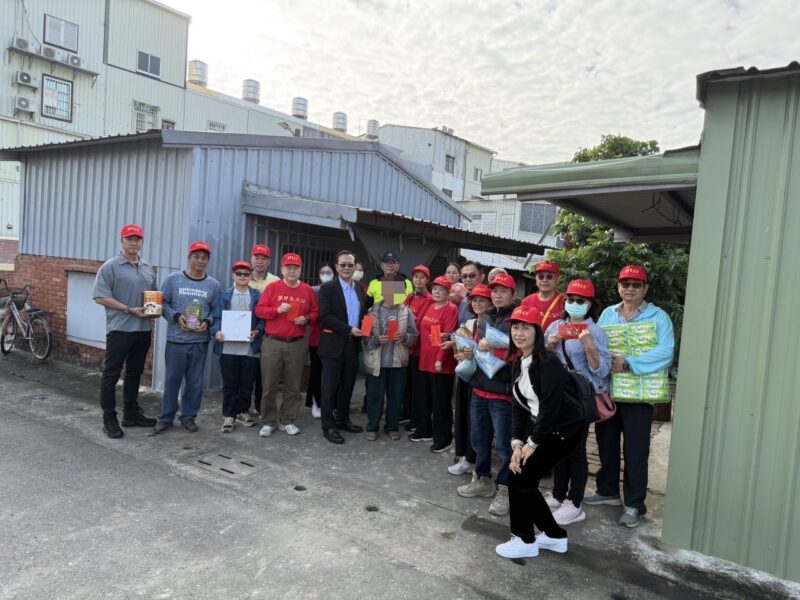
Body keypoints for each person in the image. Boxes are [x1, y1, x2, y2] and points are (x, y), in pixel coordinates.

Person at [588, 265, 674, 528]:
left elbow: (666, 352)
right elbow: (598, 344)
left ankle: (635, 504)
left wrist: (629, 363)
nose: (630, 288)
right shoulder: (607, 314)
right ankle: (608, 491)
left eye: (637, 284)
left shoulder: (659, 317)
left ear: (645, 288)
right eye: (625, 284)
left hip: (639, 397)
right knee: (606, 444)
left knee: (636, 451)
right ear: (618, 287)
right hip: (609, 392)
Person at [495, 306, 585, 559]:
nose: (519, 333)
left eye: (526, 328)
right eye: (515, 327)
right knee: (521, 478)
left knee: (519, 478)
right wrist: (517, 443)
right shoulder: (518, 362)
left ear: (537, 332)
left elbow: (551, 407)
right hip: (544, 429)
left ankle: (524, 538)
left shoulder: (548, 362)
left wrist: (532, 444)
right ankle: (554, 535)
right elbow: (518, 406)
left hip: (563, 432)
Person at [543, 279, 611, 525]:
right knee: (559, 446)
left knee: (576, 450)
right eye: (570, 299)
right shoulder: (555, 326)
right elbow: (541, 359)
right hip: (557, 396)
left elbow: (602, 371)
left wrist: (589, 346)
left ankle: (575, 502)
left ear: (589, 304)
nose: (574, 304)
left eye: (580, 300)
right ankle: (558, 494)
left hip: (580, 398)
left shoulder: (595, 332)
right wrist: (547, 346)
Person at [457, 273, 519, 516]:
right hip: (480, 387)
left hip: (503, 392)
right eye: (495, 291)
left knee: (504, 446)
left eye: (503, 291)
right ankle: (482, 479)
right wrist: (469, 352)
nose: (498, 295)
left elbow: (522, 351)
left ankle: (505, 487)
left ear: (513, 294)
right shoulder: (485, 317)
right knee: (479, 439)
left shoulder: (518, 318)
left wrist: (496, 348)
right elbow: (478, 347)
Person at [92, 223, 158, 439]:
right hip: (120, 329)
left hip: (143, 329)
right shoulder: (110, 267)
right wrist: (129, 309)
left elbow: (153, 295)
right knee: (111, 374)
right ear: (122, 241)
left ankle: (130, 414)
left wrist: (154, 310)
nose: (134, 242)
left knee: (135, 372)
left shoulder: (148, 267)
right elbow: (100, 296)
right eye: (129, 239)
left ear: (142, 242)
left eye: (137, 239)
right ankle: (109, 419)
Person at [155, 241, 221, 434]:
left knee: (195, 382)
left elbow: (216, 311)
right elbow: (162, 304)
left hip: (199, 342)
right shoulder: (173, 279)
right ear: (188, 257)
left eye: (204, 257)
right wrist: (177, 317)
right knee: (172, 380)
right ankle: (166, 417)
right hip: (176, 340)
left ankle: (188, 416)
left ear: (208, 260)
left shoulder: (214, 285)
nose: (200, 261)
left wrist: (207, 322)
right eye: (196, 256)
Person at [255, 253, 319, 437]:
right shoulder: (273, 287)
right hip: (272, 343)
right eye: (288, 267)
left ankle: (287, 420)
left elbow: (316, 312)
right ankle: (268, 421)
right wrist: (276, 309)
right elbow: (259, 310)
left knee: (293, 385)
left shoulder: (307, 290)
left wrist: (307, 318)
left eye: (295, 268)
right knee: (269, 385)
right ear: (282, 269)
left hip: (296, 344)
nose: (292, 271)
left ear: (300, 270)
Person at [317, 250, 367, 444]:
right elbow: (325, 317)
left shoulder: (359, 288)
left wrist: (365, 327)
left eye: (350, 265)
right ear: (337, 267)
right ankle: (328, 426)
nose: (347, 268)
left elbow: (363, 313)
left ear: (355, 267)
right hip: (333, 345)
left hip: (352, 345)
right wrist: (348, 329)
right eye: (343, 265)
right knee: (330, 388)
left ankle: (343, 420)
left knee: (348, 385)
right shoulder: (328, 288)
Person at [211, 261, 264, 433]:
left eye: (246, 274)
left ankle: (242, 412)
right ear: (233, 275)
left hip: (249, 347)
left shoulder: (257, 295)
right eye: (238, 273)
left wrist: (257, 331)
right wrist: (216, 332)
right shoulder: (225, 295)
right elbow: (216, 318)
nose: (242, 276)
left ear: (251, 276)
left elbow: (262, 319)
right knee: (230, 383)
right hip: (228, 347)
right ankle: (228, 415)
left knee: (247, 383)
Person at [362, 290, 418, 441]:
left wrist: (405, 337)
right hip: (376, 362)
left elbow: (414, 336)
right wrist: (375, 340)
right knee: (375, 397)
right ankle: (372, 427)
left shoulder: (406, 312)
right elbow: (364, 335)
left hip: (398, 362)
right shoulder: (372, 311)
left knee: (396, 397)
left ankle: (392, 427)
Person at [411, 275, 458, 452]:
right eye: (435, 288)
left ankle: (443, 439)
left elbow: (445, 335)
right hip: (424, 360)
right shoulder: (431, 306)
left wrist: (440, 359)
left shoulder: (450, 308)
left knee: (441, 403)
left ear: (448, 292)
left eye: (442, 289)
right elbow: (429, 333)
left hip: (440, 365)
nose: (437, 292)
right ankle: (424, 430)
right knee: (424, 399)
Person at [449, 283, 492, 475]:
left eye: (482, 300)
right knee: (462, 416)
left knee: (478, 423)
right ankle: (464, 457)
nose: (478, 304)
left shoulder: (493, 324)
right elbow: (461, 349)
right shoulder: (469, 324)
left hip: (483, 379)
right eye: (474, 300)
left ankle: (475, 461)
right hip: (467, 376)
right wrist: (459, 353)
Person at [248, 244, 280, 420]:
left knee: (264, 374)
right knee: (248, 371)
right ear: (251, 259)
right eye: (257, 257)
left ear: (269, 261)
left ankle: (261, 408)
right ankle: (244, 408)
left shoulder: (275, 281)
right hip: (247, 332)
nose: (259, 261)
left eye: (263, 258)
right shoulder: (244, 276)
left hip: (268, 332)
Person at [401, 265, 433, 431]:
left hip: (421, 348)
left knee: (418, 387)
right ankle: (407, 413)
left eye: (422, 277)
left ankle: (417, 418)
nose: (418, 280)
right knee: (407, 384)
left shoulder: (431, 299)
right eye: (416, 277)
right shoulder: (409, 296)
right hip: (408, 346)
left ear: (427, 280)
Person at [305, 261, 334, 419]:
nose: (325, 275)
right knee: (316, 371)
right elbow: (309, 312)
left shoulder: (338, 289)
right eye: (323, 272)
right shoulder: (313, 290)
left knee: (332, 373)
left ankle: (330, 403)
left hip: (334, 336)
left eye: (328, 272)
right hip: (317, 337)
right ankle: (316, 401)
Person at [521, 260, 565, 333]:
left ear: (558, 279)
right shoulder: (526, 302)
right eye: (541, 276)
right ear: (536, 278)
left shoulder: (567, 301)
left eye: (549, 277)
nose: (544, 280)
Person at [457, 261, 485, 326]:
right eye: (464, 276)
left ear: (482, 277)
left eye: (472, 275)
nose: (468, 279)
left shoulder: (489, 301)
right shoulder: (463, 301)